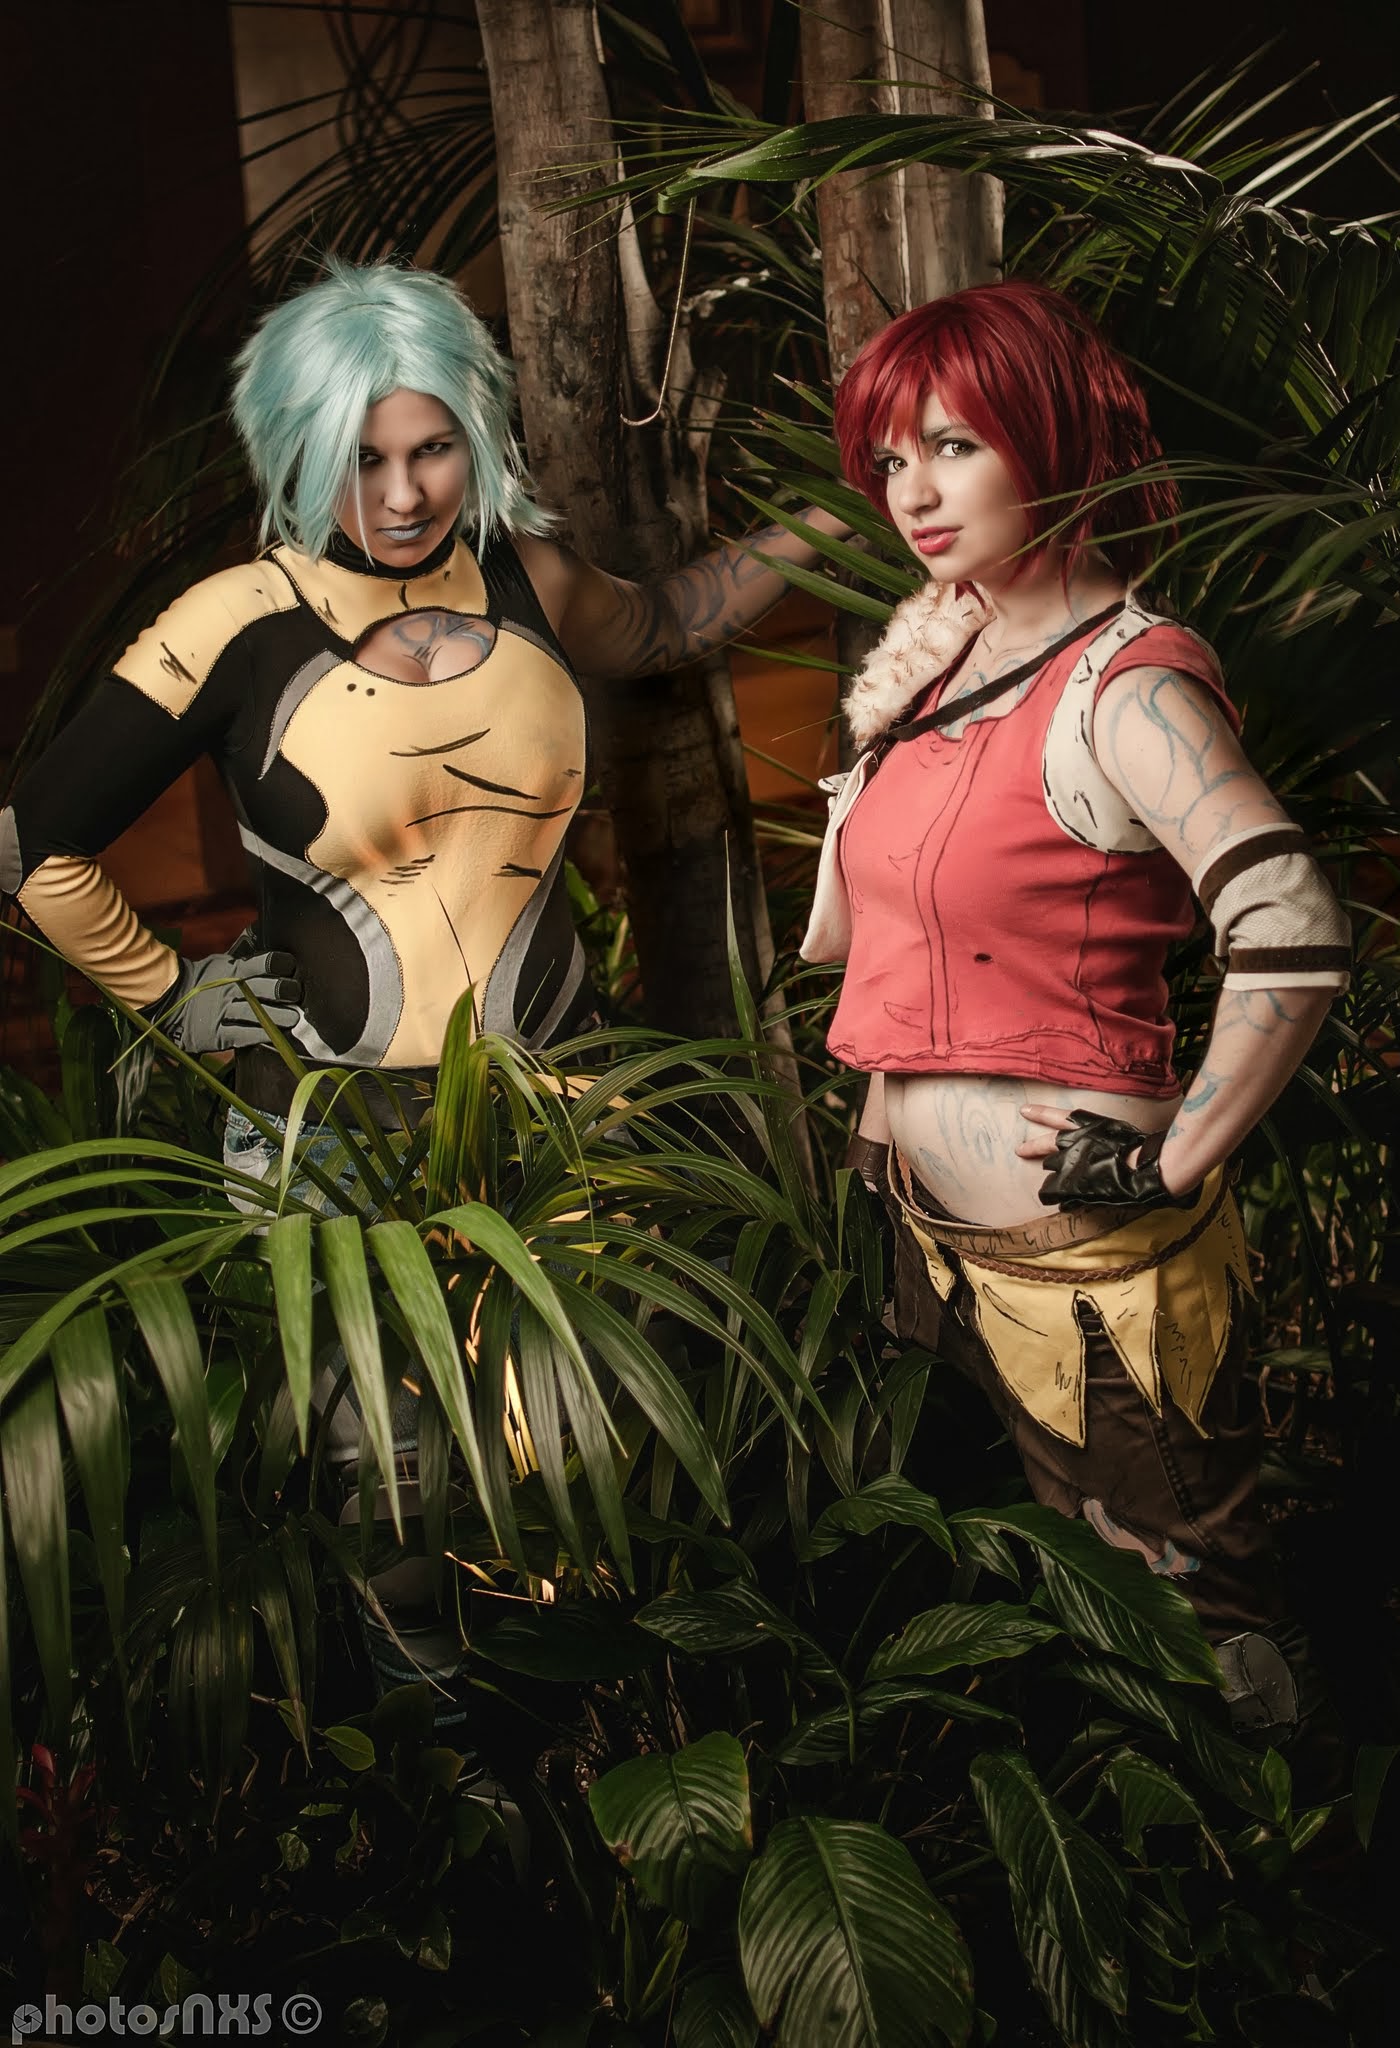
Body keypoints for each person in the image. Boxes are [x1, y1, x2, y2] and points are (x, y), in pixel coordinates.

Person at [0, 255, 843, 1719]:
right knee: (388, 1495)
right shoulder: (233, 620)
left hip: (561, 1112)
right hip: (333, 1139)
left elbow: (666, 625)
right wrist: (169, 990)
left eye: (433, 447)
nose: (401, 494)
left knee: (592, 1464)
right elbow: (30, 848)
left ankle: (605, 1774)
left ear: (475, 431)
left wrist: (845, 510)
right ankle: (451, 1794)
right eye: (361, 457)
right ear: (297, 447)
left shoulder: (528, 573)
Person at [812, 281, 1351, 1736]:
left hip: (1089, 1264)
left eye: (954, 446)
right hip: (927, 1242)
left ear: (1048, 437)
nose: (914, 495)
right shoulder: (943, 661)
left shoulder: (1127, 686)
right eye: (891, 460)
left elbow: (1292, 927)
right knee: (1037, 1612)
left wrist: (1171, 1158)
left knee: (1196, 1620)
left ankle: (1277, 1860)